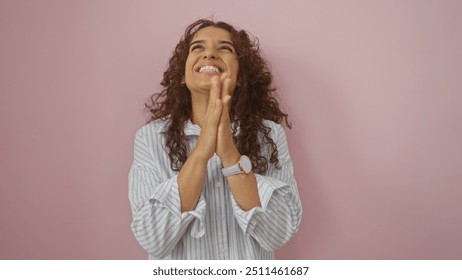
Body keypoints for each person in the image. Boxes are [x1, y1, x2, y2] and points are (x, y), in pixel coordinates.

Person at [128, 18, 302, 260]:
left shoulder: (270, 134)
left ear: (240, 75)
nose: (209, 53)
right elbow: (153, 239)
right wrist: (201, 151)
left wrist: (230, 154)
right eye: (197, 47)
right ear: (182, 75)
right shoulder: (150, 138)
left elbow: (278, 232)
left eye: (224, 48)